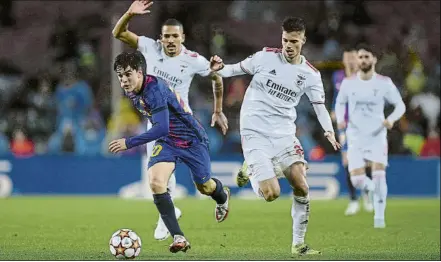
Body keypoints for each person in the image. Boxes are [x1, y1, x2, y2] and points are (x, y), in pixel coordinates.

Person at [210, 17, 340, 256]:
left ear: (303, 41)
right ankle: (250, 168)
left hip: (283, 133)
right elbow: (234, 69)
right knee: (271, 194)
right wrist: (220, 68)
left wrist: (329, 130)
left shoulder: (310, 74)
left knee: (301, 185)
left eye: (294, 41)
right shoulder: (265, 57)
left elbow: (319, 105)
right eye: (285, 40)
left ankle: (298, 244)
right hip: (254, 130)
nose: (288, 45)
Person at [112, 0, 228, 241]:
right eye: (166, 36)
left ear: (182, 37)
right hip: (157, 122)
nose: (171, 40)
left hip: (183, 126)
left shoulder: (193, 59)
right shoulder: (149, 48)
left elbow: (217, 79)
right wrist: (129, 14)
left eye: (175, 36)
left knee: (204, 186)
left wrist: (217, 110)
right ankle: (169, 221)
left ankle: (219, 196)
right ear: (161, 38)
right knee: (157, 178)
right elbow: (118, 33)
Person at [335, 44, 406, 228]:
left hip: (377, 135)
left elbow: (400, 106)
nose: (363, 60)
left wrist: (391, 119)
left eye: (367, 57)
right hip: (355, 135)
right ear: (357, 60)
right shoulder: (348, 83)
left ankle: (379, 219)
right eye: (360, 57)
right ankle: (374, 190)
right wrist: (341, 120)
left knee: (379, 174)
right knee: (357, 180)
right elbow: (339, 103)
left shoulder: (384, 82)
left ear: (374, 59)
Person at [331, 48, 373, 215]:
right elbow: (336, 96)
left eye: (352, 58)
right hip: (346, 126)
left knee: (366, 162)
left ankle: (368, 196)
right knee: (348, 162)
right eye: (346, 57)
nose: (349, 60)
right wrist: (333, 111)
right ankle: (353, 200)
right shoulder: (337, 76)